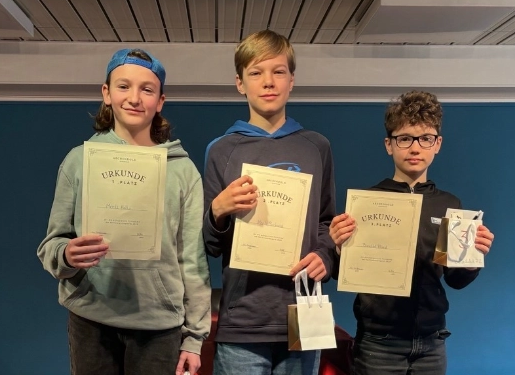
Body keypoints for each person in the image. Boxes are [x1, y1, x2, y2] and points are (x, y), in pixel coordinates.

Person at [37, 48, 211, 375]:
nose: (134, 98)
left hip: (159, 325)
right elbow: (52, 245)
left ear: (160, 101)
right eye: (123, 86)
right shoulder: (78, 161)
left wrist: (194, 338)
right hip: (91, 318)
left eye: (147, 89)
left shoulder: (183, 171)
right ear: (106, 93)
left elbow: (192, 258)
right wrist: (67, 255)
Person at [329, 90, 495, 375]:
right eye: (404, 138)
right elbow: (343, 271)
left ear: (437, 144)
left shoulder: (449, 205)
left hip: (432, 343)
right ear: (389, 145)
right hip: (378, 344)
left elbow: (455, 280)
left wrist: (472, 261)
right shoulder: (366, 203)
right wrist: (338, 248)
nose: (415, 148)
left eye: (425, 138)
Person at [202, 29, 338, 375]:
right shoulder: (221, 150)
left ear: (292, 80)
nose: (268, 82)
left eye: (278, 71)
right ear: (240, 83)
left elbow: (325, 222)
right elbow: (209, 245)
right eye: (256, 72)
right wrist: (217, 211)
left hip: (304, 315)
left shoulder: (317, 146)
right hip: (243, 322)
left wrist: (325, 256)